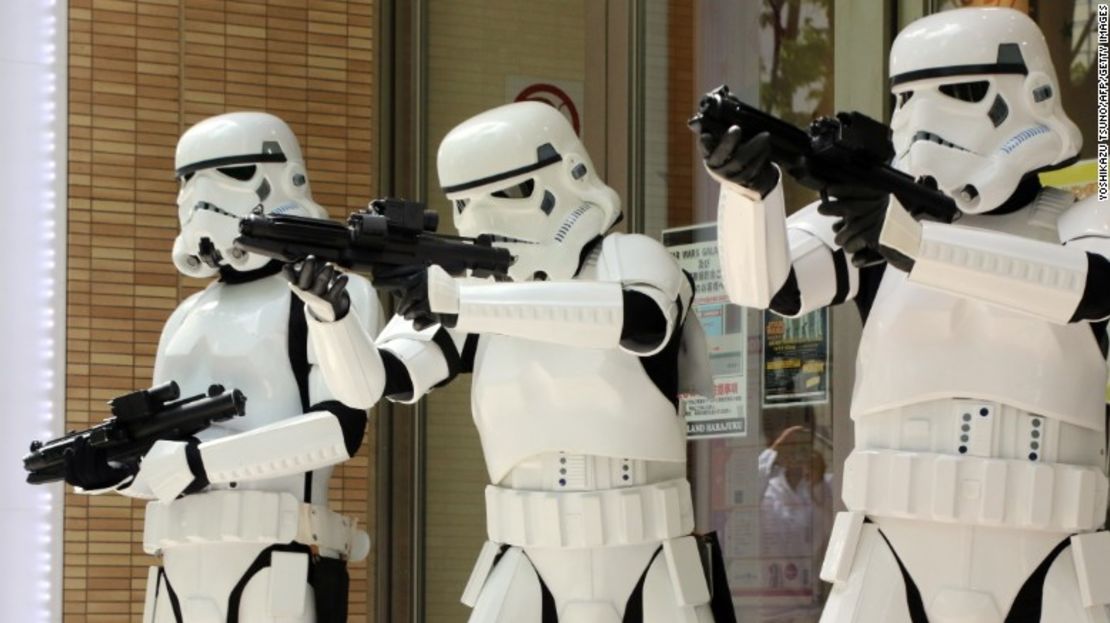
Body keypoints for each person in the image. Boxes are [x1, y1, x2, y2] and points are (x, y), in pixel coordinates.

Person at [696, 7, 1110, 622]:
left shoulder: (1081, 221)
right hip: (889, 552)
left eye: (961, 92)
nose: (926, 120)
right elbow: (768, 285)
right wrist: (747, 193)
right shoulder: (880, 225)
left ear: (1032, 94)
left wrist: (918, 247)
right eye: (907, 98)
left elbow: (1089, 290)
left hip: (1046, 556)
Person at [289, 101, 729, 622]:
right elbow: (372, 385)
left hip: (646, 558)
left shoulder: (628, 258)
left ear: (571, 173)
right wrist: (330, 317)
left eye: (509, 192)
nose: (485, 219)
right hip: (523, 560)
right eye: (465, 203)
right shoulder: (468, 293)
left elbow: (639, 319)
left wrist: (465, 303)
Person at [63, 112, 380, 622]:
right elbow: (164, 457)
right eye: (186, 181)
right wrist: (119, 473)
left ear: (283, 179)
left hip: (276, 563)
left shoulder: (329, 296)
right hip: (176, 566)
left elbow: (338, 431)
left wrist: (198, 463)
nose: (198, 196)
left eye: (226, 173)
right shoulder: (186, 316)